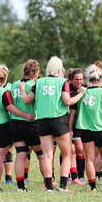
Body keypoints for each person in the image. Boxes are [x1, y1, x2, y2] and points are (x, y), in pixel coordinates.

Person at [20, 56, 86, 192]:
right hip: (59, 120)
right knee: (67, 154)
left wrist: (22, 88)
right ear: (59, 68)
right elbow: (67, 101)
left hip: (42, 121)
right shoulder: (63, 82)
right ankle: (63, 186)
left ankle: (49, 187)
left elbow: (27, 100)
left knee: (47, 155)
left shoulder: (38, 82)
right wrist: (80, 94)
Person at [70, 64, 102, 192]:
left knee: (89, 159)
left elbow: (73, 113)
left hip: (85, 130)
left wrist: (70, 128)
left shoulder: (82, 93)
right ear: (101, 80)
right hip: (101, 129)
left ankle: (93, 187)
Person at [10, 59, 44, 191]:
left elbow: (11, 103)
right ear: (35, 71)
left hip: (15, 122)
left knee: (21, 154)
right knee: (41, 155)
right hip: (30, 123)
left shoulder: (14, 84)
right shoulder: (34, 85)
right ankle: (49, 183)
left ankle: (20, 186)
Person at [68, 68, 86, 185]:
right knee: (70, 150)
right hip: (67, 122)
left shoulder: (86, 89)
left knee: (80, 150)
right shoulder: (67, 88)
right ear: (71, 79)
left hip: (81, 124)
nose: (78, 82)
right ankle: (69, 176)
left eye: (80, 79)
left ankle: (81, 176)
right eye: (76, 79)